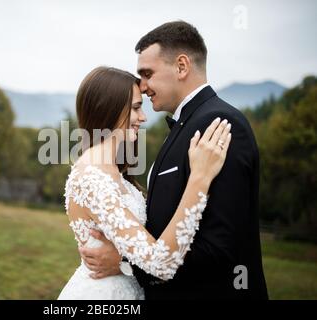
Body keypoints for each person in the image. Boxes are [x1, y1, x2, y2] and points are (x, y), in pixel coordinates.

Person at [78, 21, 268, 300]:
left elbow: (220, 247)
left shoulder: (220, 125)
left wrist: (125, 264)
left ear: (181, 66)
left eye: (147, 74)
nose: (142, 87)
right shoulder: (184, 126)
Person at [58, 66, 231, 299]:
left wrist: (121, 262)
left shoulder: (112, 170)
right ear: (109, 108)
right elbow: (161, 263)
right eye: (136, 107)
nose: (143, 117)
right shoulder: (91, 178)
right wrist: (199, 179)